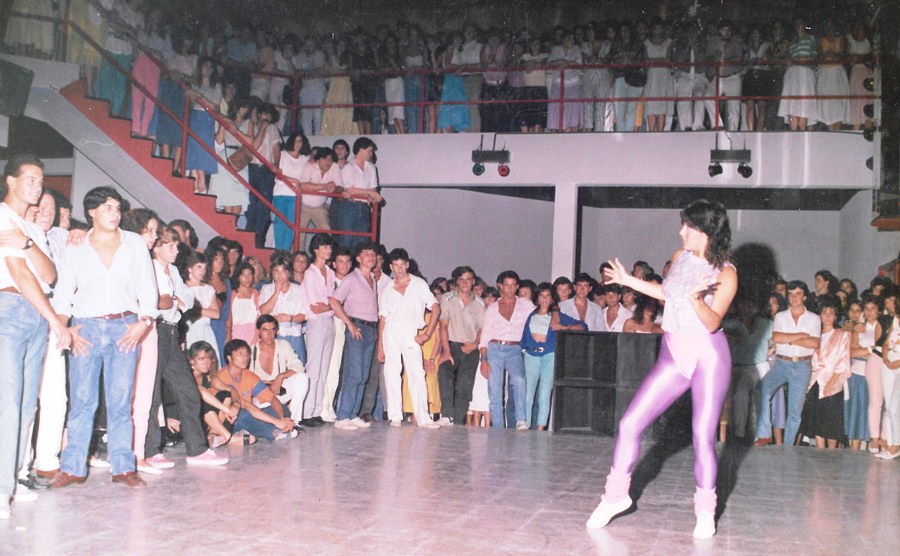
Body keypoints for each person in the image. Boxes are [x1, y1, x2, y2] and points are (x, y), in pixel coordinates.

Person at [587, 199, 737, 540]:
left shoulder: (726, 273)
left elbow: (713, 322)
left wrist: (698, 300)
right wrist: (628, 281)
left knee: (702, 438)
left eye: (689, 227)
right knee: (628, 424)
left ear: (707, 232)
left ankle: (704, 511)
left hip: (709, 356)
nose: (681, 231)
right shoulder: (679, 257)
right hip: (673, 352)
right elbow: (666, 294)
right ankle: (615, 496)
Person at [51, 187, 158, 490]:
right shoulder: (77, 245)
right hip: (85, 328)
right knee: (83, 401)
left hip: (124, 327)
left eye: (117, 207)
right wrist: (65, 327)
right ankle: (72, 467)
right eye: (107, 207)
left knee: (121, 401)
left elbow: (148, 288)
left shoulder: (135, 243)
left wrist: (144, 321)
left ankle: (124, 467)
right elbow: (63, 293)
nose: (115, 213)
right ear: (91, 212)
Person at [0, 155, 71, 517]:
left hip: (33, 314)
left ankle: (11, 479)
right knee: (8, 403)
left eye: (41, 181)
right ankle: (0, 491)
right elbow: (22, 275)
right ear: (11, 180)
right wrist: (55, 321)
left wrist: (29, 245)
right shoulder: (2, 216)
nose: (38, 186)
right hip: (10, 308)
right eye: (30, 179)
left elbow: (51, 273)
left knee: (28, 404)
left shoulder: (29, 229)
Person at [143, 226, 228, 471]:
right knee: (152, 393)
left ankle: (197, 450)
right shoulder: (150, 268)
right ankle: (150, 451)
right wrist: (173, 300)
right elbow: (158, 300)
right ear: (157, 247)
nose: (176, 250)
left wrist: (174, 301)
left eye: (177, 245)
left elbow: (187, 300)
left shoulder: (173, 271)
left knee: (189, 390)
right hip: (156, 330)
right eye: (170, 245)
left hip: (171, 331)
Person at [377, 249, 442, 428]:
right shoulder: (387, 288)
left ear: (407, 264)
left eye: (402, 265)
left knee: (417, 373)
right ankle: (395, 416)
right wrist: (380, 346)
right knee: (392, 372)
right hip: (391, 332)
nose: (399, 269)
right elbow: (383, 318)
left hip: (411, 332)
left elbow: (435, 308)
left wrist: (427, 334)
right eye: (395, 265)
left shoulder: (419, 284)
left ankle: (423, 417)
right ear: (391, 266)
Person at [755, 280, 821, 447]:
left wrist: (789, 340)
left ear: (804, 296)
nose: (794, 297)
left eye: (798, 294)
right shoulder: (781, 316)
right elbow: (777, 338)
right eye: (791, 294)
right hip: (781, 364)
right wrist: (800, 335)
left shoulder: (813, 318)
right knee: (761, 390)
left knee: (794, 412)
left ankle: (787, 447)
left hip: (802, 366)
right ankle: (764, 434)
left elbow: (814, 343)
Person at [329, 241, 380, 431]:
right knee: (354, 373)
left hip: (371, 329)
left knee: (364, 375)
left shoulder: (372, 280)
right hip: (357, 327)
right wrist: (349, 324)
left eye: (373, 254)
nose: (371, 257)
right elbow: (334, 301)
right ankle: (342, 415)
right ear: (358, 259)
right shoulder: (351, 278)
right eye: (366, 254)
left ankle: (353, 414)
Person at [521, 282, 585, 430]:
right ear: (537, 298)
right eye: (541, 295)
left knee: (544, 394)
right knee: (527, 394)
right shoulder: (530, 315)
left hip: (549, 356)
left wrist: (564, 327)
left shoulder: (557, 315)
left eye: (548, 295)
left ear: (552, 299)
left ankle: (540, 429)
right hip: (531, 355)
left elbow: (583, 326)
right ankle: (525, 426)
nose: (544, 298)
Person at [479, 270, 535, 430]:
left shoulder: (525, 304)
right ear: (500, 286)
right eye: (506, 285)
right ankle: (497, 427)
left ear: (517, 286)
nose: (510, 289)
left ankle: (521, 419)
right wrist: (483, 360)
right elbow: (485, 336)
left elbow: (538, 318)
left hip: (514, 348)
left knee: (519, 380)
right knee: (495, 389)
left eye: (513, 285)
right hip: (494, 349)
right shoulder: (493, 308)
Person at [216, 339, 297, 441]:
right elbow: (247, 406)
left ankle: (250, 430)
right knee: (242, 415)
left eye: (246, 353)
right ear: (229, 357)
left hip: (250, 414)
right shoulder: (221, 377)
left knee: (283, 409)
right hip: (226, 420)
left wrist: (281, 417)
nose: (245, 357)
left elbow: (272, 398)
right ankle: (273, 433)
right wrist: (276, 422)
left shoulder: (249, 375)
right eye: (240, 354)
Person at [437, 266, 485, 426]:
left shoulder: (479, 302)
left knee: (464, 386)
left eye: (469, 279)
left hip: (470, 348)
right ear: (456, 281)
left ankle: (457, 421)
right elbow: (443, 325)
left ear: (473, 281)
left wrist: (474, 345)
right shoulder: (447, 298)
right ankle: (447, 415)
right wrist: (446, 351)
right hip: (450, 344)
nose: (465, 282)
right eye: (462, 279)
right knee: (444, 375)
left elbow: (482, 329)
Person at [800, 299, 850, 448]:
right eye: (824, 313)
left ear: (836, 316)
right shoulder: (815, 336)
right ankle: (820, 452)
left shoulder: (843, 334)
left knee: (831, 423)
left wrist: (831, 383)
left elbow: (843, 360)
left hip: (832, 382)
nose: (827, 316)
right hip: (815, 381)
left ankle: (832, 454)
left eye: (831, 313)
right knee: (818, 421)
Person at [248, 315, 310, 427]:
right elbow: (245, 379)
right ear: (258, 332)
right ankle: (277, 421)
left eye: (272, 330)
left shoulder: (283, 345)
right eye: (265, 330)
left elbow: (299, 366)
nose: (269, 334)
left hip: (279, 391)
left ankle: (294, 422)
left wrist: (280, 377)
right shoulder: (250, 350)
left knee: (302, 378)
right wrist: (264, 385)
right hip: (261, 396)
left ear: (277, 331)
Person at [300, 234, 336, 426]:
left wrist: (329, 306)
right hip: (315, 323)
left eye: (329, 247)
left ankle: (316, 411)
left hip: (329, 322)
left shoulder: (330, 273)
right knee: (313, 367)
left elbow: (333, 300)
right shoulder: (310, 273)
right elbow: (316, 305)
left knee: (324, 369)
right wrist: (330, 306)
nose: (328, 250)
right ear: (316, 249)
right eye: (324, 247)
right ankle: (306, 413)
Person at [259, 257, 307, 366]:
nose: (280, 275)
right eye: (276, 271)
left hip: (294, 333)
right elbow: (263, 311)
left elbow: (305, 315)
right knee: (276, 367)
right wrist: (276, 293)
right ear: (272, 273)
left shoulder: (298, 289)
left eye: (283, 271)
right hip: (274, 334)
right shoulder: (267, 288)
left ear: (289, 273)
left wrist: (289, 318)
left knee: (297, 367)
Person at [337, 137, 381, 250]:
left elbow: (373, 189)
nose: (371, 154)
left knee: (362, 243)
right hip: (349, 206)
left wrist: (371, 196)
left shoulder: (371, 167)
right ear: (361, 150)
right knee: (346, 240)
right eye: (369, 151)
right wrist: (369, 193)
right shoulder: (348, 167)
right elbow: (349, 190)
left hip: (364, 207)